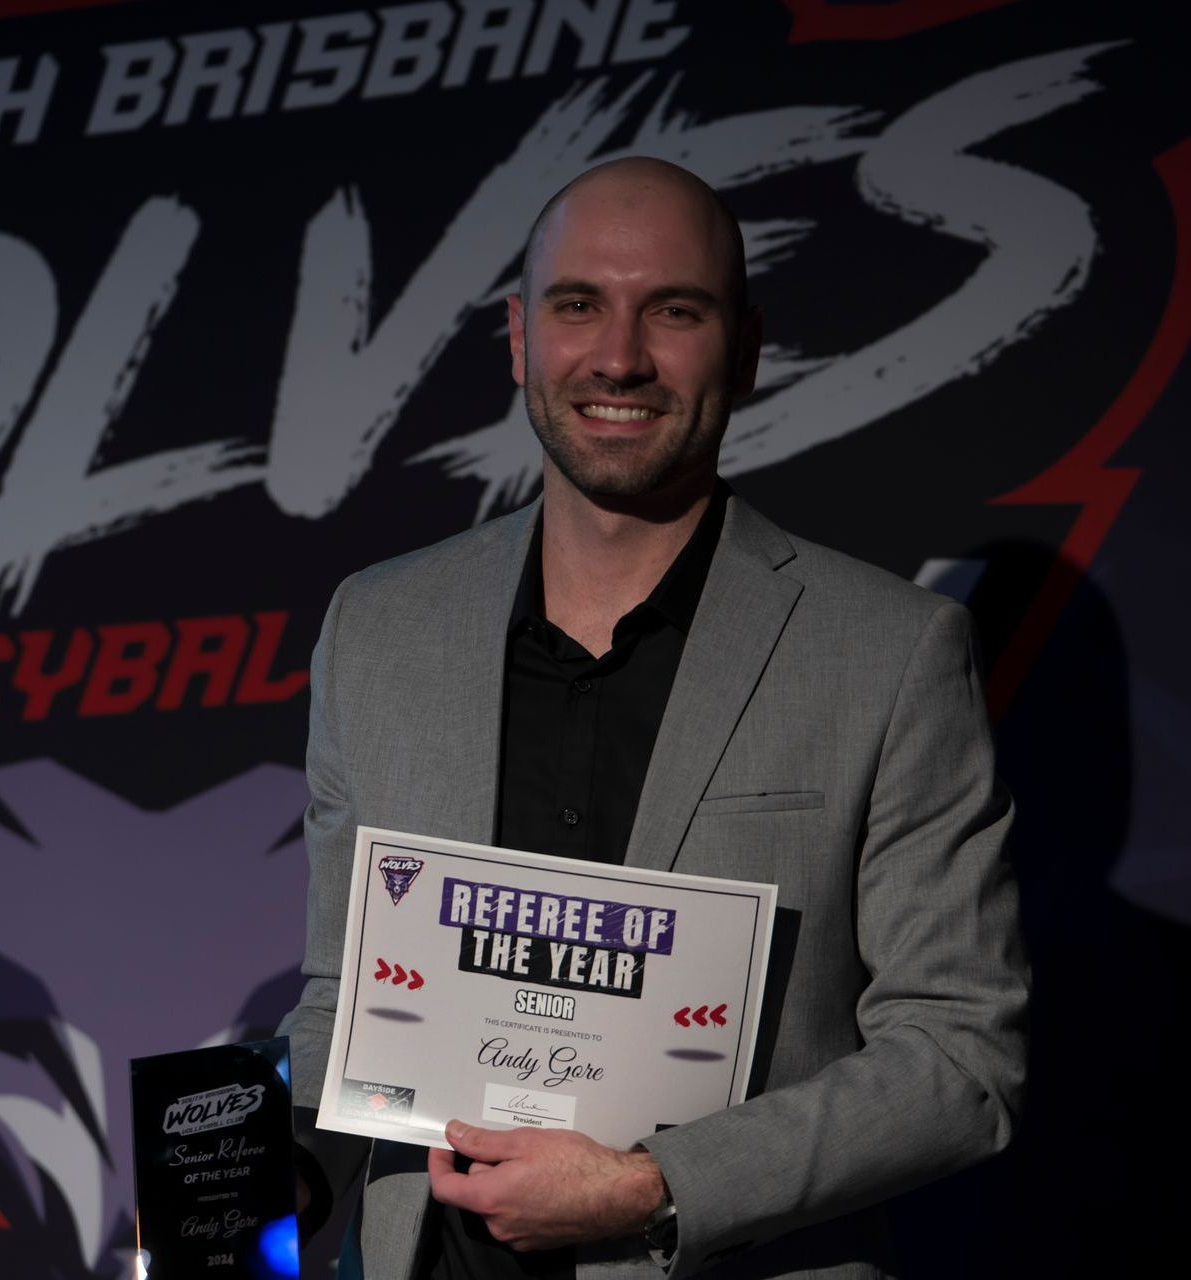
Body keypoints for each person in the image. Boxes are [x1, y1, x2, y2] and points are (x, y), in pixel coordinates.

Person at [279, 156, 1028, 1279]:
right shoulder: (378, 629)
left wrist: (655, 1185)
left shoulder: (886, 652)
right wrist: (248, 1178)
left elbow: (959, 1055)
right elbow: (346, 999)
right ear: (520, 337)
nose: (618, 355)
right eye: (577, 304)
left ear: (746, 344)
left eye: (672, 310)